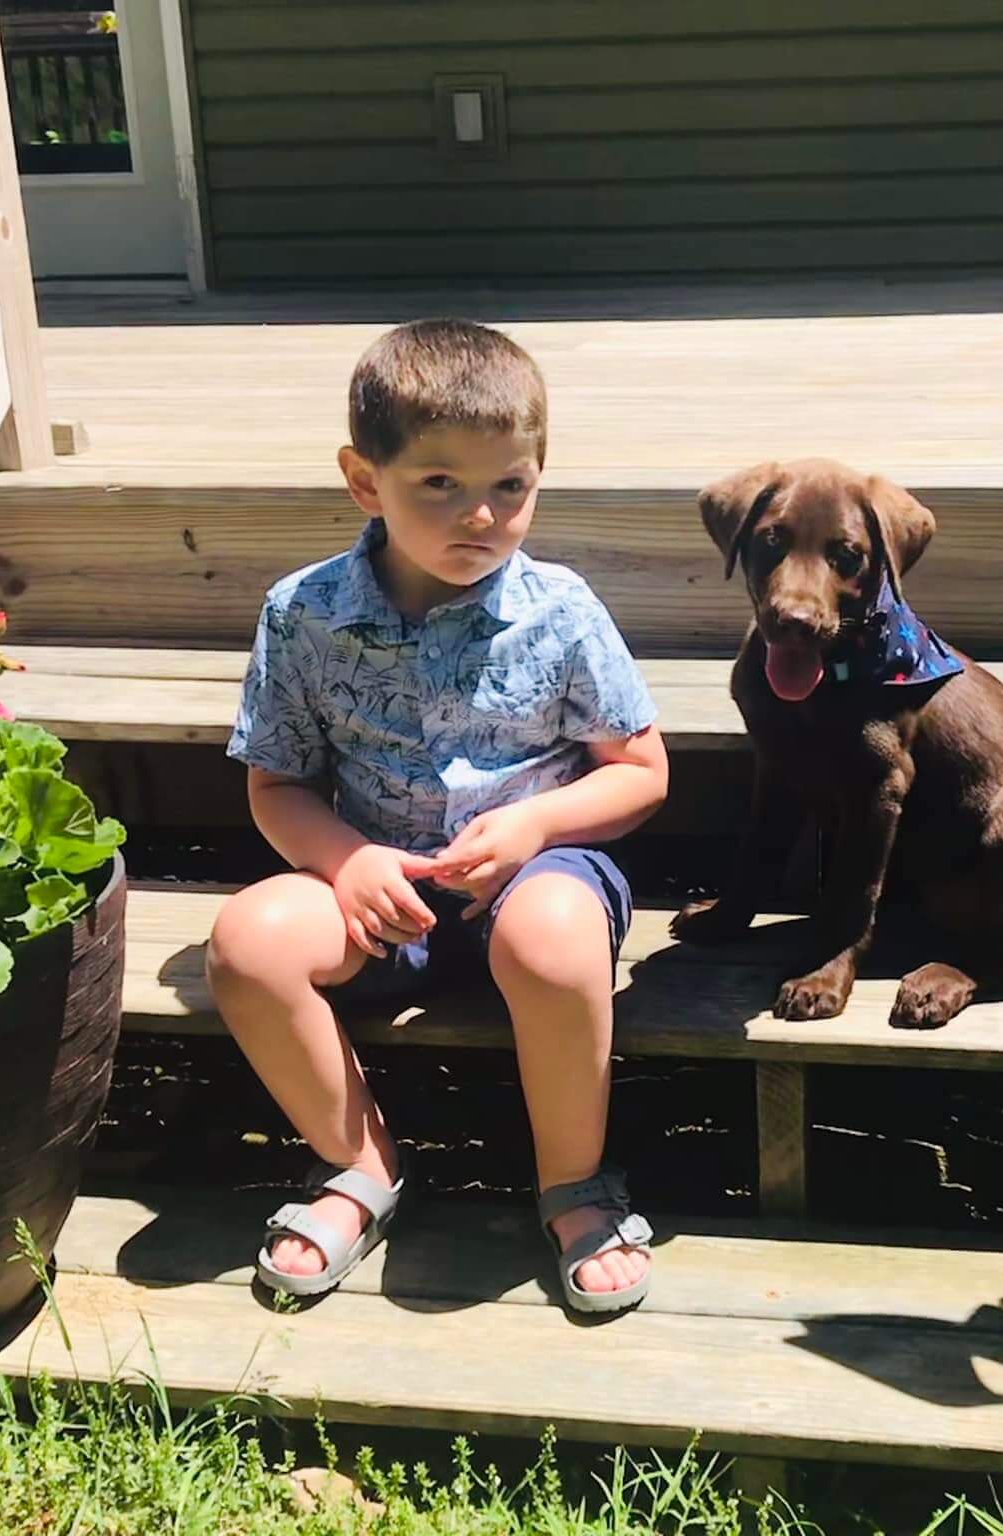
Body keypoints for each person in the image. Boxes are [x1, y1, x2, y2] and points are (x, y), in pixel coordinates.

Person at [207, 319, 668, 1316]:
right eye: (440, 485)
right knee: (248, 942)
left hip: (535, 881)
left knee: (550, 940)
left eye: (511, 485)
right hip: (380, 895)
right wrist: (347, 861)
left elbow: (638, 771)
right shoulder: (305, 613)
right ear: (365, 481)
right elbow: (276, 784)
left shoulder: (560, 608)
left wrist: (538, 828)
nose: (482, 516)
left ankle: (573, 1187)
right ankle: (358, 1166)